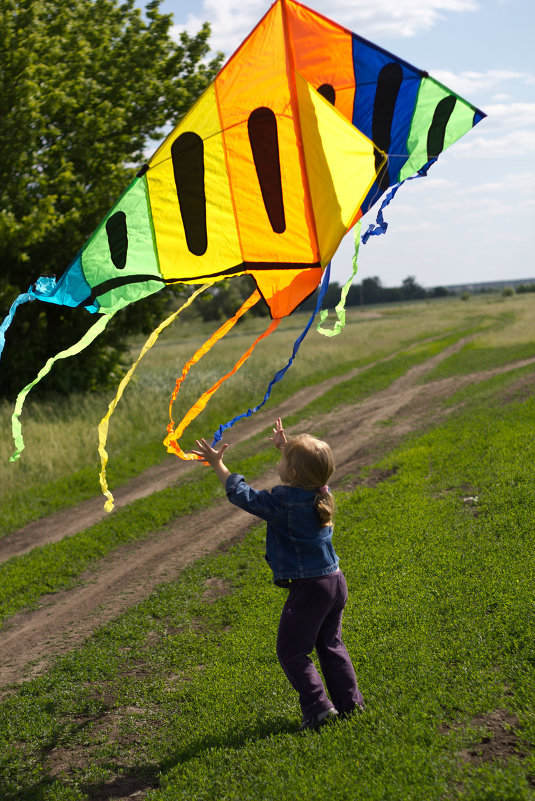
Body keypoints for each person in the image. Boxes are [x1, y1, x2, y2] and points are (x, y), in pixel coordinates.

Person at [192, 418, 365, 731]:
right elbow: (308, 473)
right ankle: (350, 704)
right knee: (331, 644)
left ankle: (319, 708)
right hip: (335, 582)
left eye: (284, 460)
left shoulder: (283, 502)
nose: (280, 462)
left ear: (294, 472)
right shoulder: (321, 492)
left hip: (311, 588)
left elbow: (243, 495)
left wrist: (218, 464)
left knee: (291, 651)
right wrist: (289, 449)